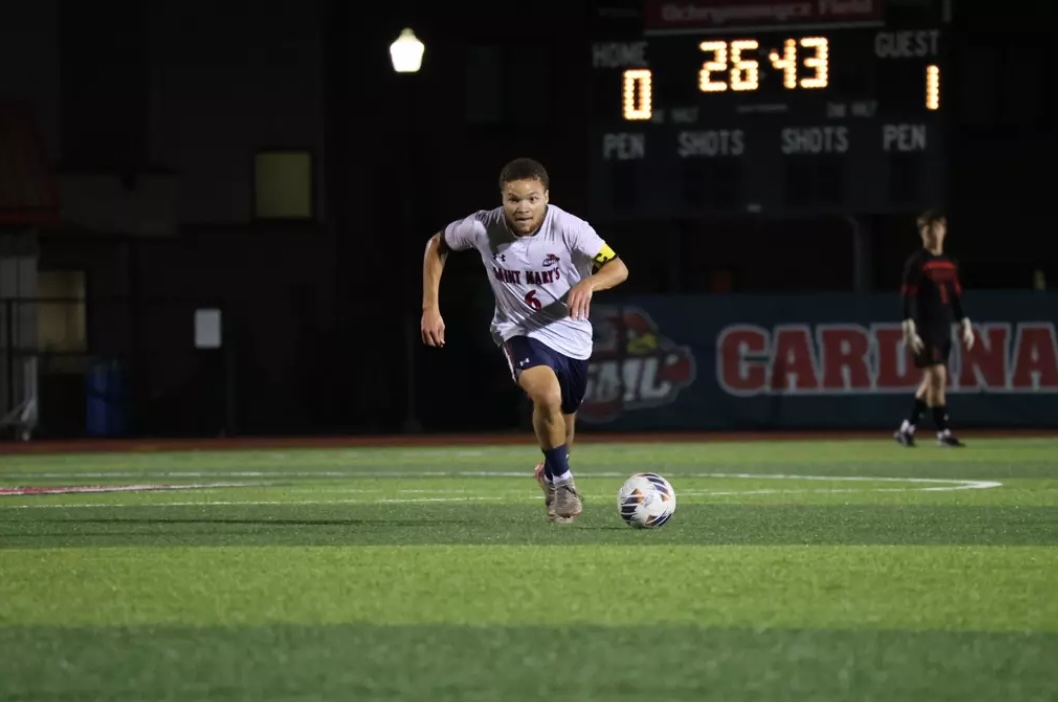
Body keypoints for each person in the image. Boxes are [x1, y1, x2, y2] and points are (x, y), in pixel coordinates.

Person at [421, 158, 629, 521]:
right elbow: (437, 245)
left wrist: (588, 281)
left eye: (532, 198)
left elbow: (618, 267)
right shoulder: (482, 226)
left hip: (572, 334)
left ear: (546, 197)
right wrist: (430, 307)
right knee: (546, 394)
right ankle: (563, 484)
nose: (523, 208)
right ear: (502, 199)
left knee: (565, 415)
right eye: (513, 199)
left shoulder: (569, 228)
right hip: (517, 330)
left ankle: (551, 472)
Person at [893, 209, 974, 447]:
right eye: (928, 230)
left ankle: (906, 429)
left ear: (944, 230)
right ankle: (943, 432)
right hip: (924, 328)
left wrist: (965, 323)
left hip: (943, 327)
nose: (933, 233)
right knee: (938, 376)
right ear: (922, 234)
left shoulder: (949, 261)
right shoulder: (917, 262)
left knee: (931, 380)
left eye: (937, 228)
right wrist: (908, 328)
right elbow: (906, 297)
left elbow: (955, 296)